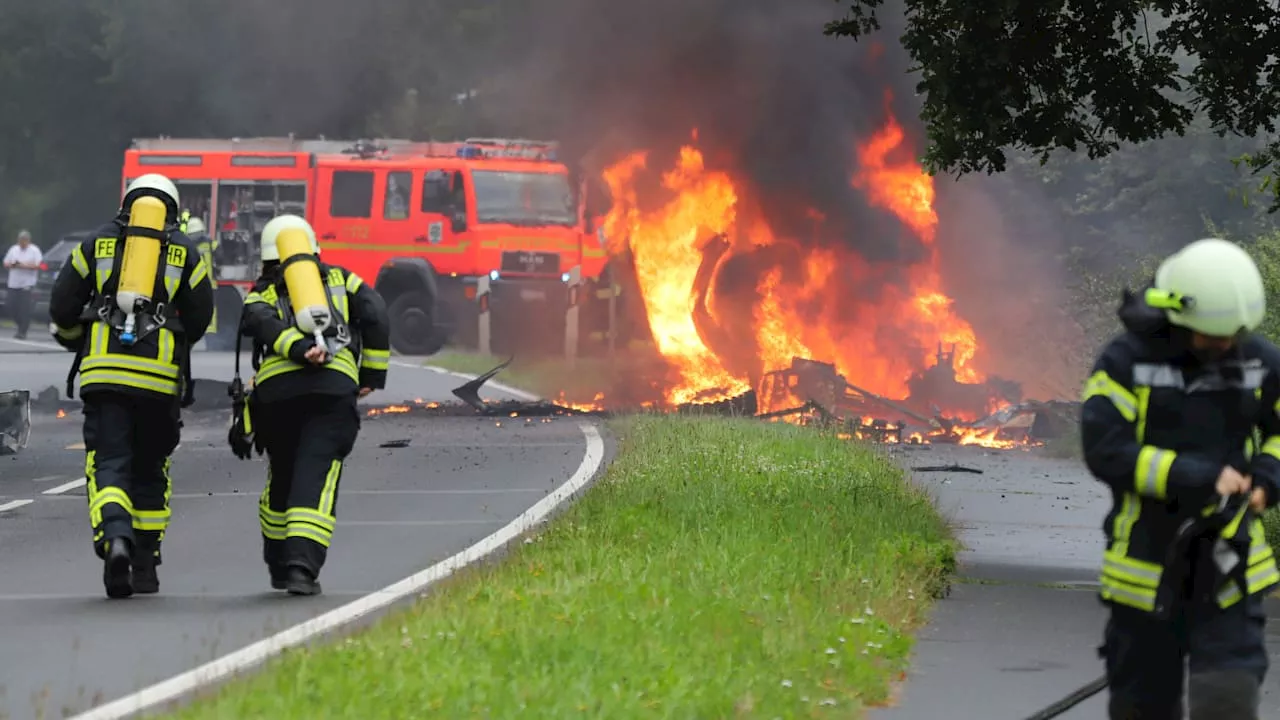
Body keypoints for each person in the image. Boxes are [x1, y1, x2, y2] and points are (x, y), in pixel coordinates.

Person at [1081, 237, 1280, 719]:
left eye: (1233, 334)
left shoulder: (1256, 360)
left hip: (1229, 571)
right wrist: (1197, 477)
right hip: (1145, 571)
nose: (1224, 345)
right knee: (1142, 707)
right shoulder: (1126, 363)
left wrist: (1266, 478)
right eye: (1213, 335)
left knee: (1227, 697)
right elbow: (1105, 449)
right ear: (1176, 314)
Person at [48, 173, 214, 599]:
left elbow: (62, 306)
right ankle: (145, 566)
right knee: (151, 468)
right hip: (159, 382)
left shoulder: (96, 244)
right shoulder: (185, 251)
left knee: (109, 462)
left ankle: (116, 537)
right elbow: (199, 317)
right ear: (173, 209)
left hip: (105, 377)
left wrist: (77, 334)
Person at [233, 213, 389, 596]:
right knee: (316, 475)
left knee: (283, 474)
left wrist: (295, 349)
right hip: (333, 391)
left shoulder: (262, 290)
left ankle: (278, 562)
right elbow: (376, 313)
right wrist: (370, 375)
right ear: (314, 249)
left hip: (277, 398)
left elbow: (260, 322)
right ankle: (302, 565)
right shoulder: (342, 280)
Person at [3, 230, 42, 339]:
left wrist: (24, 265)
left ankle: (22, 331)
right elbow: (6, 263)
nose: (22, 243)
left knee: (24, 308)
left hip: (27, 284)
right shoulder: (13, 249)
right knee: (11, 306)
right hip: (13, 283)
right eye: (20, 241)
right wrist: (12, 265)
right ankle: (19, 324)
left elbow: (40, 265)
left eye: (24, 241)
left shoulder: (34, 250)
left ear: (28, 241)